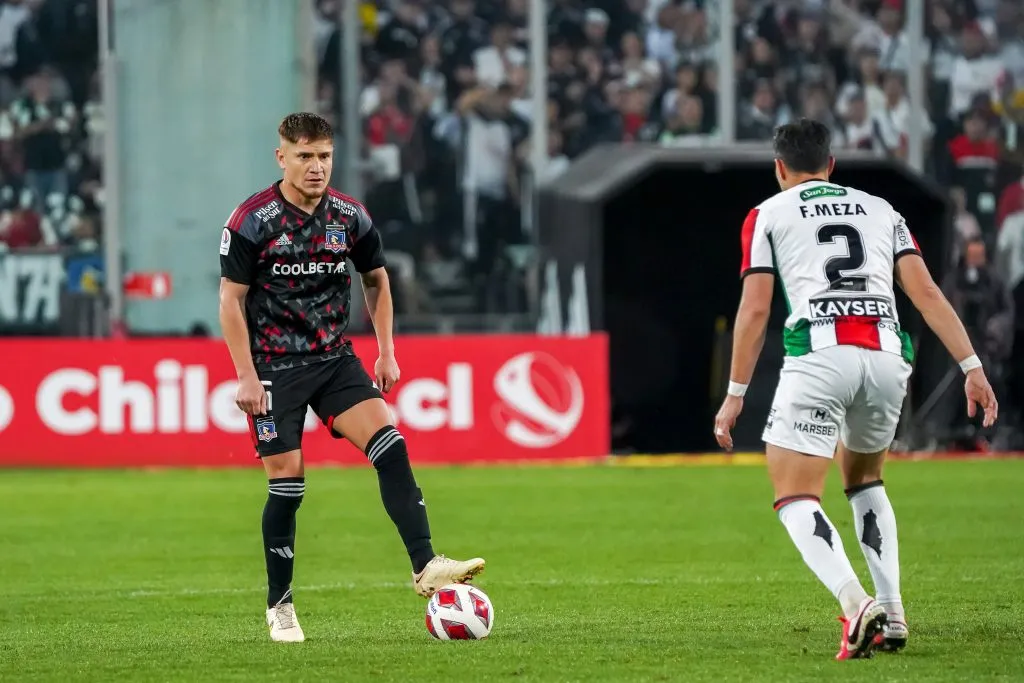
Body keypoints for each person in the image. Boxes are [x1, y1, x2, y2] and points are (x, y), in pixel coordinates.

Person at [712, 119, 999, 660]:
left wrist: (735, 393)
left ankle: (855, 604)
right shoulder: (880, 209)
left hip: (820, 357)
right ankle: (892, 612)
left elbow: (754, 309)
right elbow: (928, 292)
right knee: (866, 482)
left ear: (779, 168)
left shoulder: (767, 214)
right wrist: (972, 365)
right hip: (888, 358)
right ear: (832, 165)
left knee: (794, 493)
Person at [218, 112, 485, 643]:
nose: (315, 167)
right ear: (282, 158)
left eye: (323, 156)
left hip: (334, 359)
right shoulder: (252, 220)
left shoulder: (349, 216)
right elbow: (231, 299)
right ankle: (281, 604)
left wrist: (386, 352)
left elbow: (377, 281)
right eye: (304, 157)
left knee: (390, 444)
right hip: (274, 367)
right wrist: (246, 376)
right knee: (289, 486)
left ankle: (425, 564)